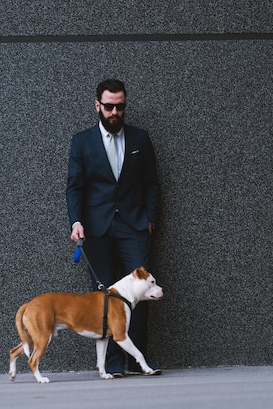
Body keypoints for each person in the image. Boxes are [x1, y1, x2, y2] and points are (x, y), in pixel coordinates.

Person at [66, 78, 161, 377]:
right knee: (103, 298)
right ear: (97, 105)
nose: (114, 112)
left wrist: (150, 219)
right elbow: (75, 188)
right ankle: (113, 363)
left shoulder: (140, 139)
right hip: (97, 229)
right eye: (108, 106)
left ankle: (138, 359)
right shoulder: (81, 142)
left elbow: (152, 184)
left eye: (119, 106)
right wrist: (76, 221)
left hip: (134, 227)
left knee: (142, 292)